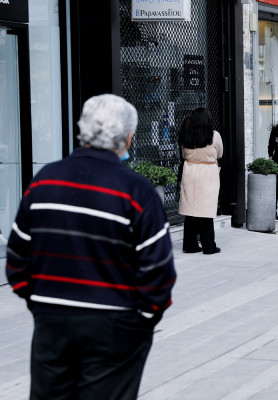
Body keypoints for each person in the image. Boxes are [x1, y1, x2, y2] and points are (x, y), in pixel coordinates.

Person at [5, 94, 177, 400]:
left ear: (82, 131)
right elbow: (158, 272)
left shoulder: (44, 181)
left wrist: (42, 304)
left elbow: (17, 258)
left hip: (53, 321)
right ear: (128, 138)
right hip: (115, 326)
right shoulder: (137, 191)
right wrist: (143, 320)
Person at [178, 107, 223, 254]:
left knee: (190, 211)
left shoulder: (187, 134)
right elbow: (220, 153)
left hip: (190, 171)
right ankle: (209, 246)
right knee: (206, 211)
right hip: (208, 173)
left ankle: (190, 245)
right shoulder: (214, 135)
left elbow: (183, 154)